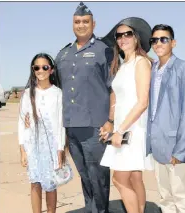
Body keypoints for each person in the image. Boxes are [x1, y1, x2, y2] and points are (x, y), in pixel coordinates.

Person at [55, 2, 114, 213]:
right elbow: (50, 85)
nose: (81, 25)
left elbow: (114, 88)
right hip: (71, 127)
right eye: (77, 22)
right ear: (73, 24)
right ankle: (91, 209)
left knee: (98, 175)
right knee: (85, 175)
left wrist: (111, 121)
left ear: (93, 23)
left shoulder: (104, 50)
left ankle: (100, 210)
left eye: (85, 21)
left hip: (95, 127)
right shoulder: (63, 54)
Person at [146, 24, 185, 213]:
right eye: (154, 40)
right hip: (158, 144)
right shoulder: (153, 69)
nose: (158, 43)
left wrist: (180, 150)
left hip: (176, 145)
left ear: (173, 42)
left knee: (181, 195)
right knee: (165, 197)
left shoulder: (184, 68)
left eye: (163, 39)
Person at [100, 17, 154, 213]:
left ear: (137, 37)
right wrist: (111, 124)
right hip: (123, 128)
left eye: (127, 34)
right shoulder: (122, 65)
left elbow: (142, 102)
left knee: (119, 179)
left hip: (133, 129)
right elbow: (119, 100)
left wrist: (120, 130)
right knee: (134, 177)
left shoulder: (141, 63)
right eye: (118, 36)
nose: (122, 39)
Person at [18, 53, 65, 213]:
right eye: (36, 67)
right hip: (33, 147)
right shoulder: (27, 94)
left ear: (51, 70)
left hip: (52, 147)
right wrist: (23, 149)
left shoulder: (58, 93)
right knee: (35, 183)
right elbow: (22, 123)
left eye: (45, 67)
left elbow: (60, 124)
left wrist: (61, 149)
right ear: (33, 70)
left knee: (51, 185)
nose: (41, 70)